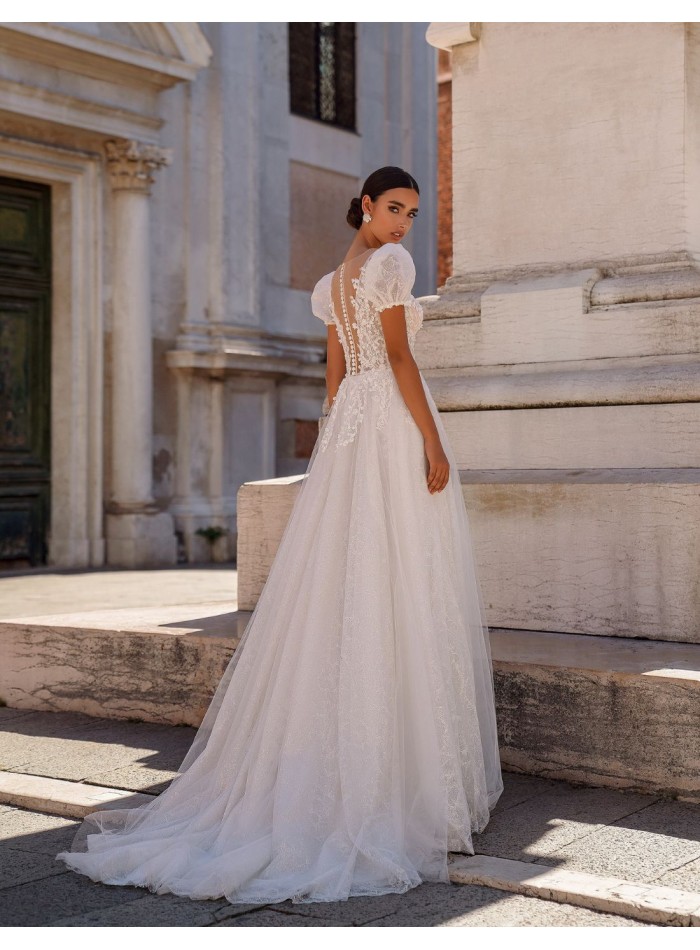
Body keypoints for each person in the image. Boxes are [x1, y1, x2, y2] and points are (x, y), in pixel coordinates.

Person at [55, 165, 503, 905]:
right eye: (394, 208)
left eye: (412, 214)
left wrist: (333, 437)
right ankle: (403, 782)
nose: (402, 224)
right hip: (388, 424)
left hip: (353, 432)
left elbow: (336, 374)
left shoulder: (336, 278)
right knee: (399, 578)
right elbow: (396, 359)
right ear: (364, 203)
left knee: (351, 577)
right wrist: (434, 443)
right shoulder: (390, 266)